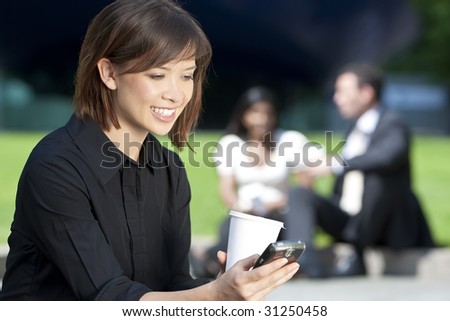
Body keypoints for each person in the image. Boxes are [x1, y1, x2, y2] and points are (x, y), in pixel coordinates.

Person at [0, 0, 299, 300]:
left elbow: (172, 284)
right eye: (157, 75)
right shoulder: (56, 167)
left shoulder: (169, 168)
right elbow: (110, 298)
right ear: (108, 73)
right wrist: (215, 295)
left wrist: (224, 285)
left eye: (186, 75)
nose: (175, 94)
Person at [286, 63, 435, 277]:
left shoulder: (393, 124)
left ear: (366, 93)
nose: (336, 98)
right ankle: (305, 262)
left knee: (376, 176)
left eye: (342, 92)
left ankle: (358, 254)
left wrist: (335, 163)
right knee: (299, 194)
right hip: (348, 219)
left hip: (384, 224)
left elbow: (386, 157)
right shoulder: (354, 128)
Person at [190, 86, 321, 278]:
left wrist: (280, 202)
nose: (262, 119)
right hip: (247, 213)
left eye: (268, 113)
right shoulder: (231, 144)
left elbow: (304, 187)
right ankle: (207, 258)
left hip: (280, 213)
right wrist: (240, 207)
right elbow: (226, 189)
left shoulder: (288, 140)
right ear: (243, 115)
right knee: (231, 228)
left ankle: (208, 259)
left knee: (270, 229)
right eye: (256, 113)